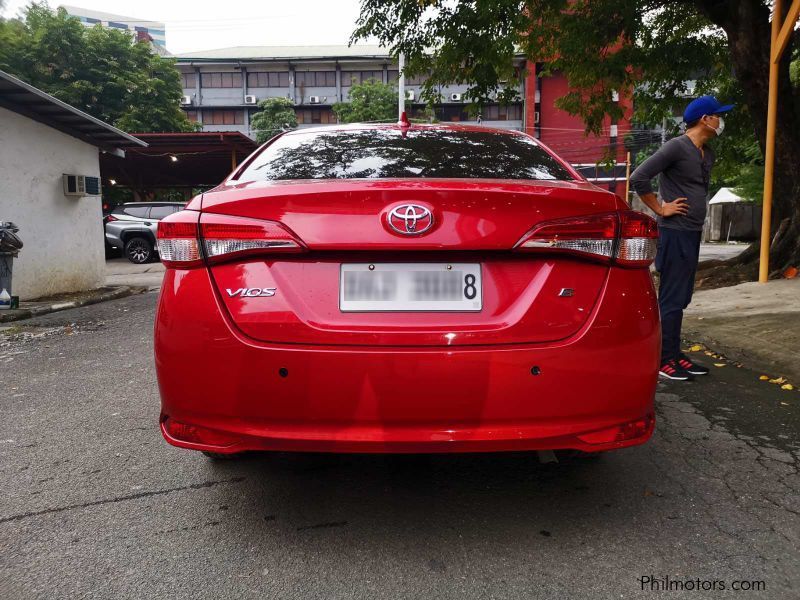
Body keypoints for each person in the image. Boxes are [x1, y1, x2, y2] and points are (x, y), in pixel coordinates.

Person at [630, 95, 734, 381]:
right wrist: (661, 208)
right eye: (718, 115)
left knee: (682, 297)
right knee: (672, 299)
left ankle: (674, 354)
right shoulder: (676, 147)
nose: (720, 121)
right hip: (674, 233)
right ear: (705, 119)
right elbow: (639, 178)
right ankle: (663, 360)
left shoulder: (706, 153)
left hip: (692, 232)